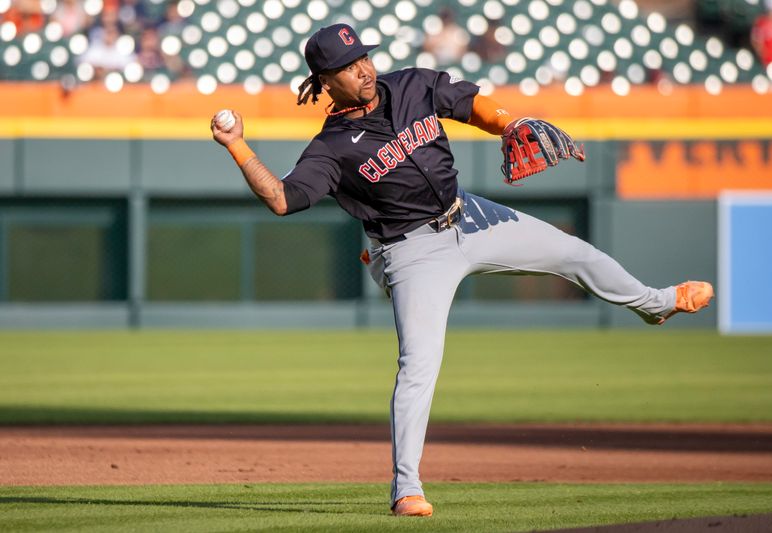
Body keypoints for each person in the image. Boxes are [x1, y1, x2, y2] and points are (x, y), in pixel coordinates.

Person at [211, 24, 714, 517]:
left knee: (575, 253)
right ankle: (405, 488)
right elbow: (281, 198)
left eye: (364, 56)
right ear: (325, 80)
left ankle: (655, 304)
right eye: (348, 65)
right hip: (411, 252)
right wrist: (237, 145)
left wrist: (510, 124)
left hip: (470, 214)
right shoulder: (331, 148)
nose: (363, 69)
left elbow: (471, 106)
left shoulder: (411, 84)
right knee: (419, 365)